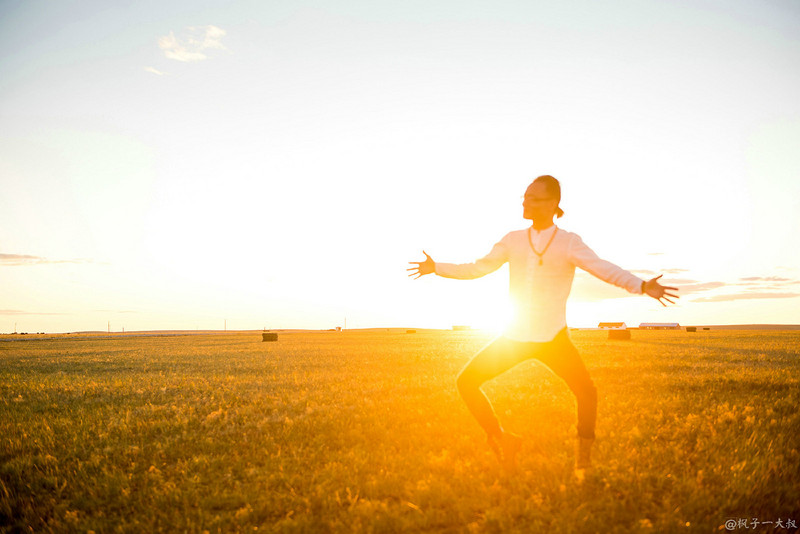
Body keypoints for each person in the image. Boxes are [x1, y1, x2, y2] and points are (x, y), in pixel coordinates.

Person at [407, 175, 678, 472]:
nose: (525, 202)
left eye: (534, 198)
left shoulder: (569, 242)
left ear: (553, 203)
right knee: (466, 381)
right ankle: (501, 438)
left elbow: (603, 269)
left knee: (586, 393)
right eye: (524, 197)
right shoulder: (512, 240)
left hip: (553, 339)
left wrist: (640, 285)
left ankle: (582, 464)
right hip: (514, 337)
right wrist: (437, 268)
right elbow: (478, 268)